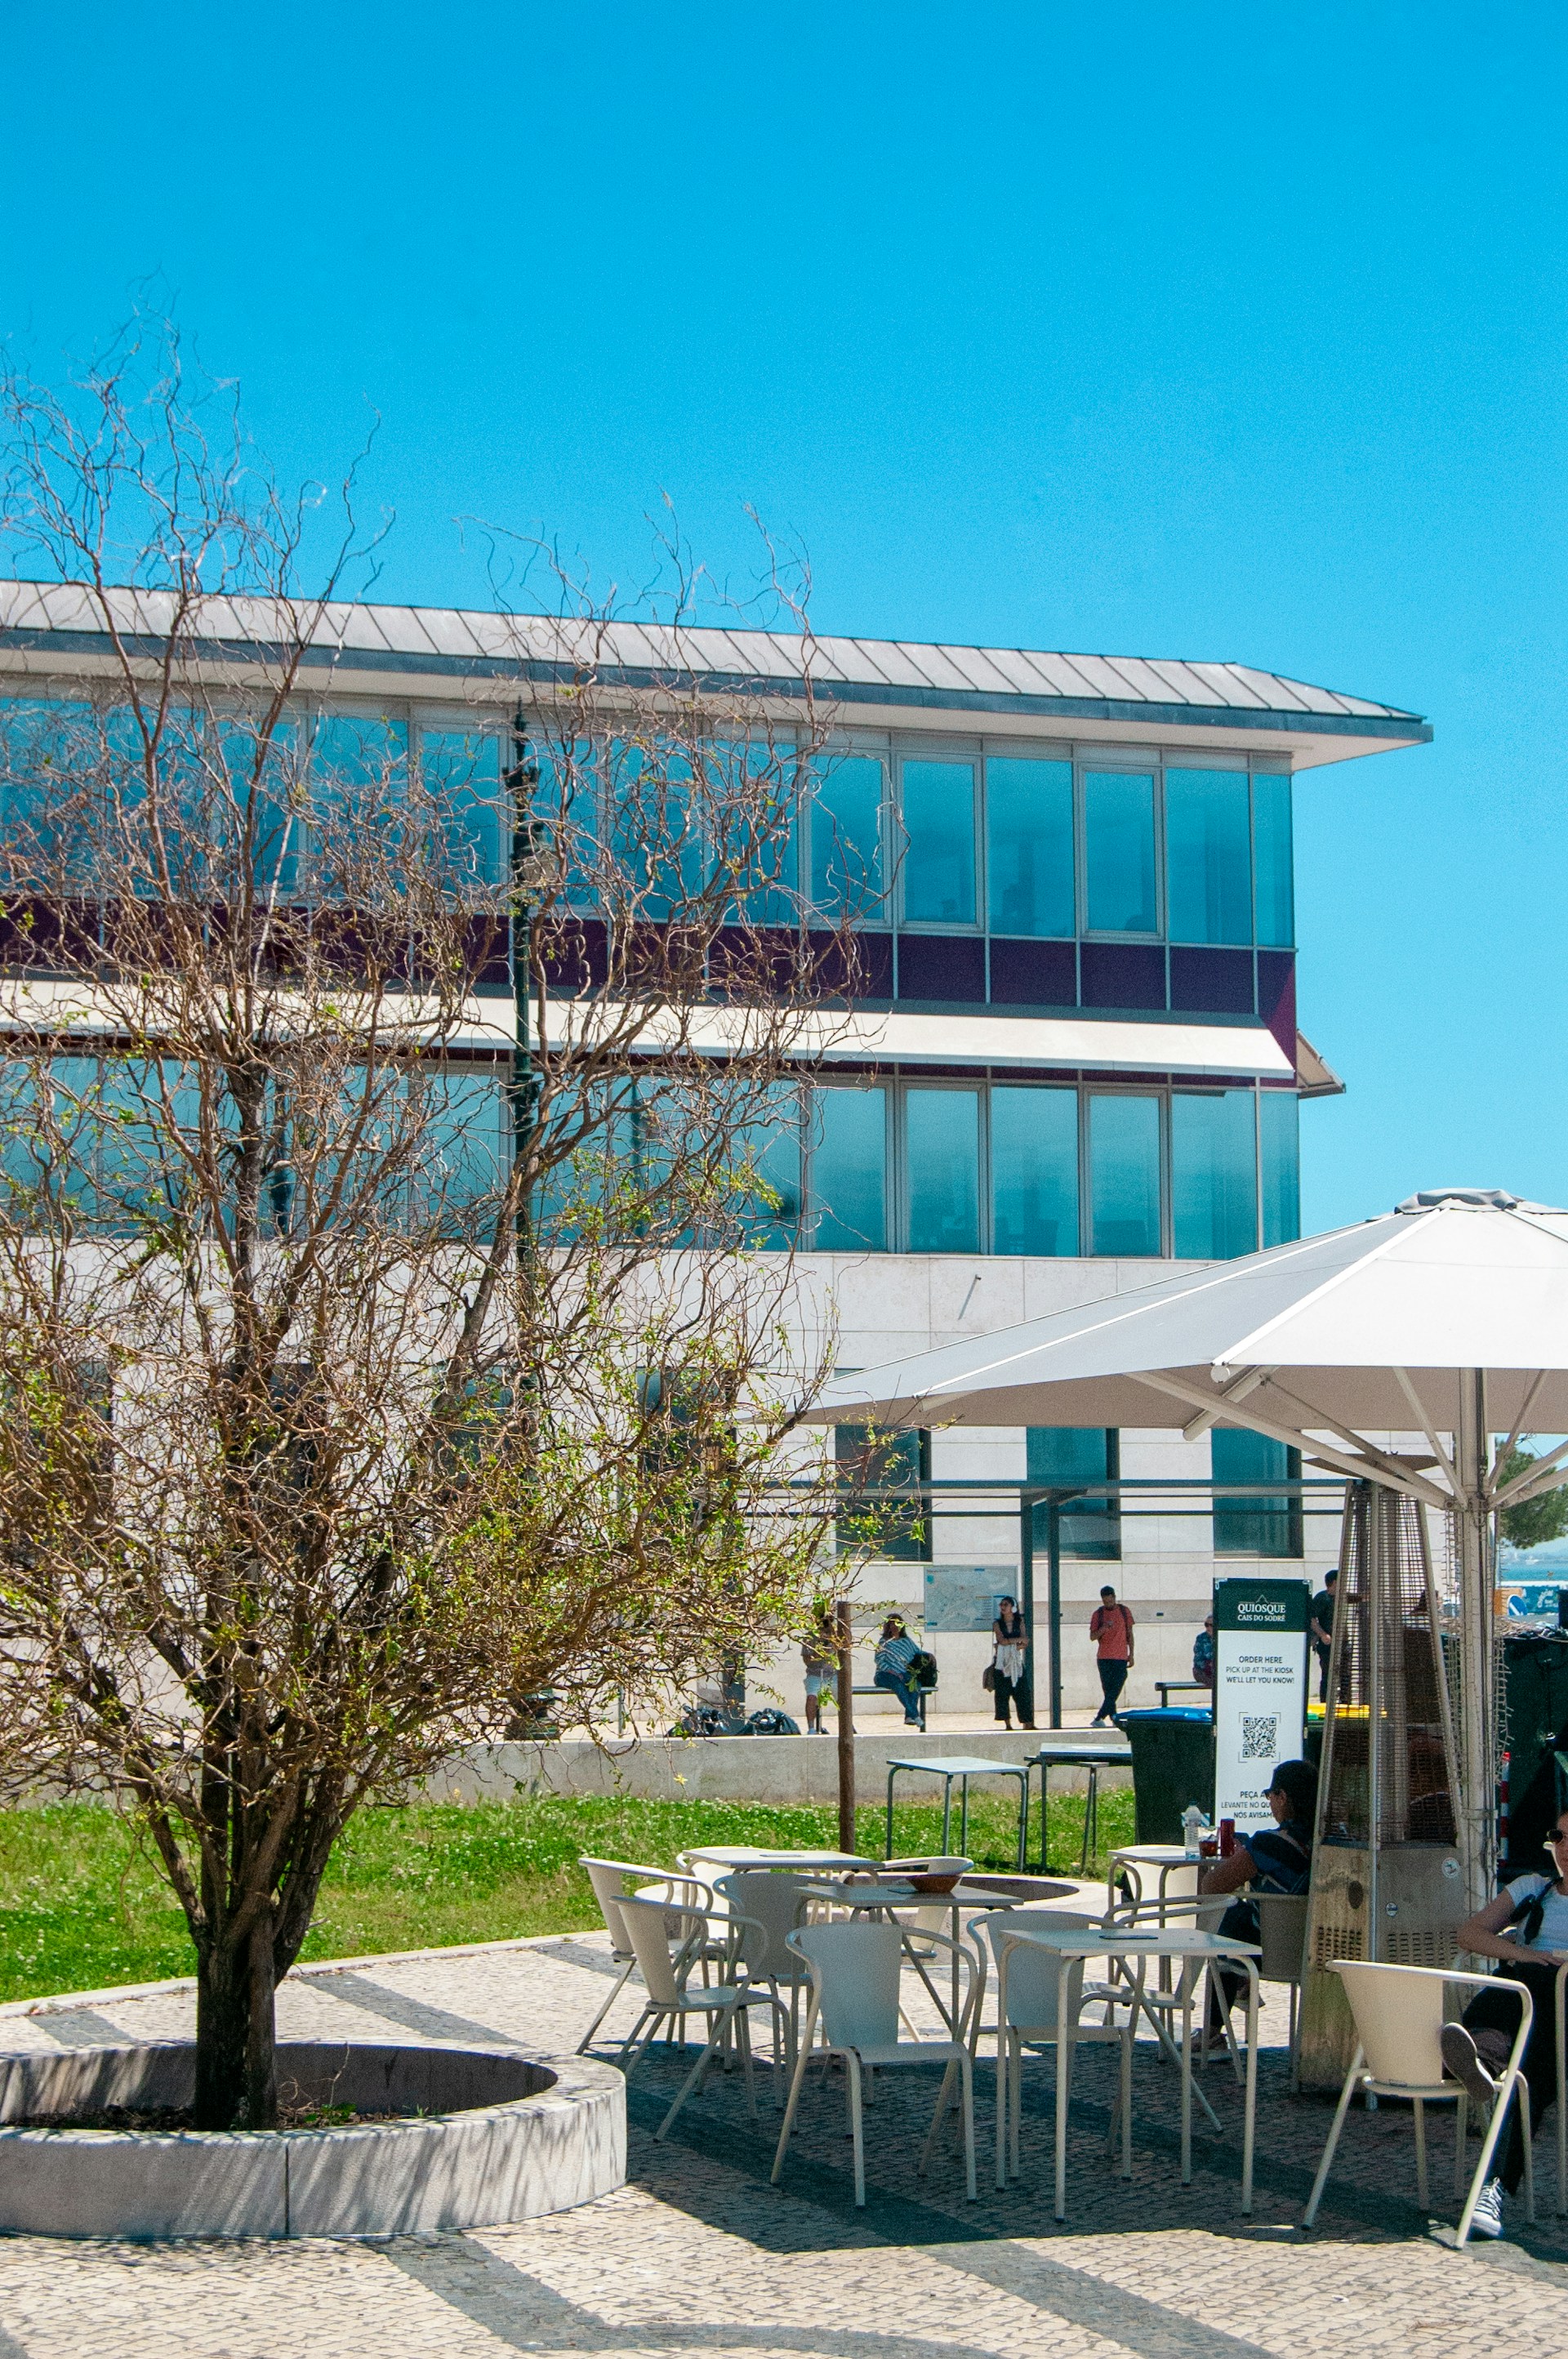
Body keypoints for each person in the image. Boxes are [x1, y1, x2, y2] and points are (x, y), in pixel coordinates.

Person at [1438, 1808, 1568, 2239]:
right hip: (1523, 1996)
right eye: (1559, 1836)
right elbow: (1470, 1934)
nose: (1564, 1848)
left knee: (1531, 2061)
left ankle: (1474, 2067)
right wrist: (1528, 1954)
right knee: (1514, 2012)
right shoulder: (1534, 1888)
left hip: (1563, 2009)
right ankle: (1478, 2063)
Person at [1199, 1757, 1316, 2024]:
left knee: (1229, 1916)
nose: (1270, 1802)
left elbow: (1212, 1886)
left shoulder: (1268, 1843)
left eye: (1269, 1795)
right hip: (1315, 1949)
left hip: (1271, 1953)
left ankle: (1213, 2030)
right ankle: (1240, 1983)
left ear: (1282, 1796)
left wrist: (1241, 1859)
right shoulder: (1331, 1841)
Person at [1089, 1585, 1134, 1723]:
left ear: (1114, 1598)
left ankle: (1099, 1717)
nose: (1108, 1604)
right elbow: (1092, 1636)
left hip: (1120, 1656)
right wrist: (1104, 1628)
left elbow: (1130, 1634)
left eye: (1110, 1601)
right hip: (1104, 1657)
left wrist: (1131, 1654)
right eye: (1105, 1602)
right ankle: (1113, 1717)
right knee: (1109, 1690)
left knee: (1118, 1683)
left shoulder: (1124, 1612)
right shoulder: (1099, 1614)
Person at [873, 1613, 924, 1727]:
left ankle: (909, 1716)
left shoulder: (906, 1641)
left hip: (904, 1673)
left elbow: (917, 1653)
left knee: (914, 1685)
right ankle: (916, 1715)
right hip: (885, 1675)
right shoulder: (884, 1642)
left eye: (897, 1625)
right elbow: (879, 1661)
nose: (894, 1627)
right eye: (891, 1625)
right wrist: (893, 1672)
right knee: (899, 1685)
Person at [990, 1596, 1028, 1729]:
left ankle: (1026, 1723)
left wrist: (1011, 1643)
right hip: (1002, 1663)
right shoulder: (997, 1623)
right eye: (1001, 1605)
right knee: (1002, 1693)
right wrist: (1015, 1642)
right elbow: (1002, 1640)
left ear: (1013, 1607)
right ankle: (1008, 1724)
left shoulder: (1020, 1621)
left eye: (1006, 1604)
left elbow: (1025, 1641)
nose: (1003, 1607)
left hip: (1016, 1661)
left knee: (1022, 1692)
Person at [801, 1606, 837, 1735]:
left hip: (833, 1674)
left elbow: (845, 1647)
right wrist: (817, 1654)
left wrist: (831, 1637)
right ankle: (811, 1728)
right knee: (811, 1697)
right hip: (815, 1673)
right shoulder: (810, 1636)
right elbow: (806, 1659)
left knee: (843, 1697)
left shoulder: (836, 1635)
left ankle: (847, 1725)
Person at [1309, 1567, 1338, 1702]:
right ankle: (1325, 1703)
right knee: (1328, 1674)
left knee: (1345, 1675)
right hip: (1327, 1643)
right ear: (1333, 1583)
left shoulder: (1342, 1598)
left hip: (1342, 1643)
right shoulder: (1323, 1598)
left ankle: (1344, 1702)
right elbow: (1312, 1619)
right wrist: (1322, 1635)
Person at [1192, 1613, 1215, 1690]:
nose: (1208, 1627)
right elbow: (1198, 1659)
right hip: (1202, 1671)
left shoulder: (1222, 1637)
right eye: (1206, 1625)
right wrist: (1208, 1665)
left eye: (1211, 1625)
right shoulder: (1201, 1638)